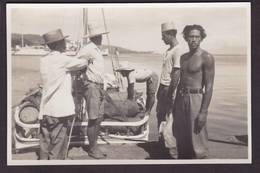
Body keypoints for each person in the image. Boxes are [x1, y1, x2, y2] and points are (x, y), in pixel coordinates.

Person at [39, 29, 88, 160]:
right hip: (59, 111)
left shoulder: (44, 60)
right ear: (59, 44)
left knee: (45, 142)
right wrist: (84, 54)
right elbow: (83, 63)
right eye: (64, 41)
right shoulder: (62, 60)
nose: (66, 43)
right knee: (58, 145)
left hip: (45, 109)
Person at [173, 24, 215, 159]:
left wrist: (203, 112)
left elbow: (209, 87)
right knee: (182, 138)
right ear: (186, 38)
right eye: (191, 36)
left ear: (202, 38)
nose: (194, 40)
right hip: (181, 98)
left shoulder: (206, 57)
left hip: (196, 98)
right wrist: (174, 105)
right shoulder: (183, 57)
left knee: (198, 139)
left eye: (197, 37)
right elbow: (180, 82)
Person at [76, 23, 109, 159]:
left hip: (100, 87)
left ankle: (94, 145)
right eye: (98, 36)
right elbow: (77, 64)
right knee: (93, 118)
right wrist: (84, 80)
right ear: (93, 37)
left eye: (101, 35)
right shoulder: (88, 49)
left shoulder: (97, 50)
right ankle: (92, 148)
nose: (101, 38)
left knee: (99, 118)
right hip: (92, 87)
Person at [157, 22, 182, 130]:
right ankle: (161, 141)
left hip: (169, 88)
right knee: (160, 114)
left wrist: (170, 93)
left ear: (170, 34)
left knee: (168, 116)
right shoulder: (168, 50)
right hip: (163, 87)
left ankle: (168, 144)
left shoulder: (178, 50)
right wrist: (159, 90)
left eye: (163, 36)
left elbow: (176, 74)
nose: (162, 39)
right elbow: (165, 72)